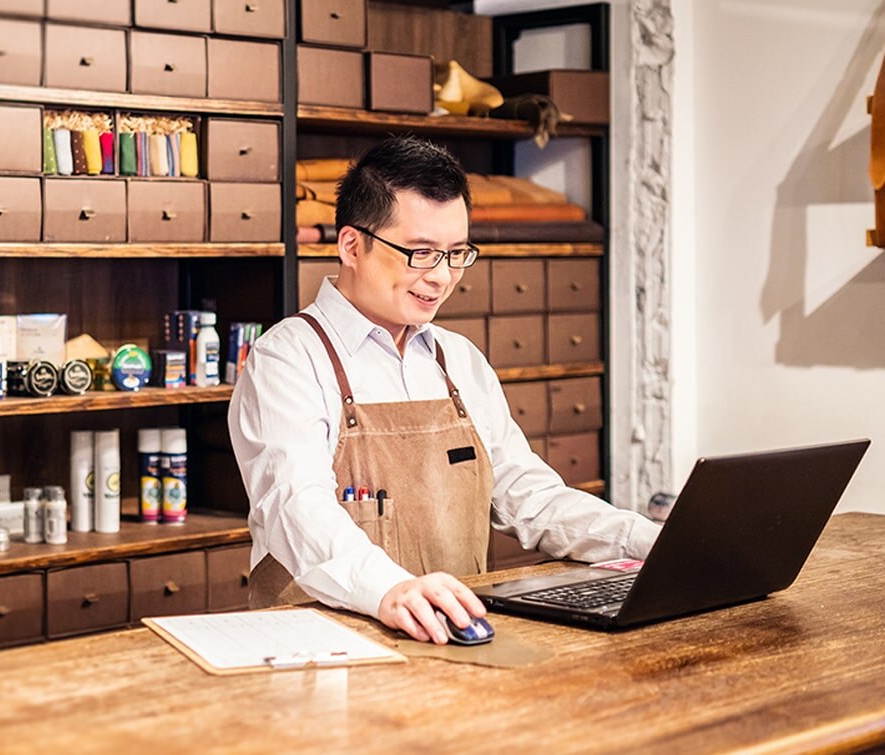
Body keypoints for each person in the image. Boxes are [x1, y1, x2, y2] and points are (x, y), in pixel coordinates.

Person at [228, 136, 660, 644]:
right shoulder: (288, 359)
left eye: (456, 254)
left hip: (449, 639)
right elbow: (295, 506)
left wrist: (649, 540)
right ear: (351, 245)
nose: (441, 277)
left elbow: (531, 500)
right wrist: (390, 590)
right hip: (322, 650)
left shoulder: (458, 360)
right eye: (420, 253)